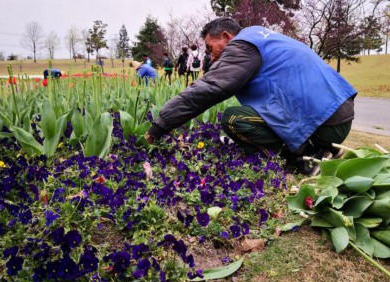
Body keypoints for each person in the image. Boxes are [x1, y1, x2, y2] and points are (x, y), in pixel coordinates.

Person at [145, 17, 356, 175]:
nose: (210, 55)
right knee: (258, 113)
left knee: (235, 119)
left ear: (227, 37)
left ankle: (303, 158)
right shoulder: (261, 36)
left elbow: (209, 88)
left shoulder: (242, 46)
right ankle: (324, 149)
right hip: (338, 113)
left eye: (211, 47)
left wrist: (161, 124)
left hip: (325, 120)